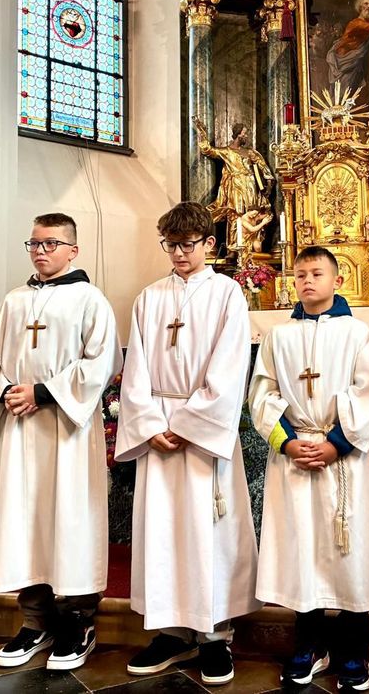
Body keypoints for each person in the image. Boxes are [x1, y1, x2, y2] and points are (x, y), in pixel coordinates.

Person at [115, 201, 260, 686]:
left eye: (188, 244)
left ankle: (215, 633)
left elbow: (230, 363)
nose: (178, 253)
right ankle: (173, 631)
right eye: (171, 244)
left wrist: (191, 421)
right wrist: (151, 421)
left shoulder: (227, 294)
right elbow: (135, 369)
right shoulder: (149, 297)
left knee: (209, 532)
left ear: (210, 245)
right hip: (158, 429)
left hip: (201, 434)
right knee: (164, 531)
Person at [0, 213, 121, 672]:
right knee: (24, 520)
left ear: (73, 250)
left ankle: (79, 621)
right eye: (34, 243)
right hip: (20, 431)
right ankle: (35, 620)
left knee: (70, 520)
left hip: (67, 431)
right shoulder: (13, 301)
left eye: (51, 243)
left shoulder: (90, 300)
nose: (40, 251)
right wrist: (4, 390)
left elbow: (103, 363)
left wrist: (41, 392)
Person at [249, 245, 369, 691]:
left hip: (342, 455)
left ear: (337, 280)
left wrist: (335, 444)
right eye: (299, 275)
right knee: (302, 547)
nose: (307, 281)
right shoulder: (279, 336)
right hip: (295, 455)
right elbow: (261, 393)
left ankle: (355, 646)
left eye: (316, 273)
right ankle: (310, 643)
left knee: (347, 546)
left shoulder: (357, 333)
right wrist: (288, 442)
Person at [195, 119, 274, 223]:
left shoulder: (249, 152)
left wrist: (268, 183)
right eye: (244, 134)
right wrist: (202, 133)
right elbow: (208, 150)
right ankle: (235, 238)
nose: (246, 136)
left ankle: (251, 237)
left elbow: (263, 166)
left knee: (252, 212)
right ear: (238, 135)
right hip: (236, 186)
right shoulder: (226, 152)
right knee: (236, 212)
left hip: (250, 185)